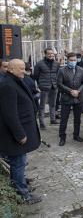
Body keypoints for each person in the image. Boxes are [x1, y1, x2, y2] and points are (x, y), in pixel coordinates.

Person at [0, 59, 42, 204]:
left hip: (22, 130)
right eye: (20, 69)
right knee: (18, 163)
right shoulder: (7, 85)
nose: (23, 71)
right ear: (11, 69)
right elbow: (9, 114)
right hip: (15, 135)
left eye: (24, 68)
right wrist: (20, 134)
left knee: (20, 162)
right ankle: (23, 195)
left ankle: (20, 186)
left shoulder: (15, 80)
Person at [57, 52, 83, 146]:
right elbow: (59, 84)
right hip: (66, 98)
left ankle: (76, 135)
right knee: (64, 119)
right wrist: (70, 91)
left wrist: (78, 91)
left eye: (74, 60)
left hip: (78, 98)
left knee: (77, 118)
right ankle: (62, 137)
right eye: (71, 60)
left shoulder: (81, 70)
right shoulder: (62, 70)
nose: (73, 62)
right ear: (67, 60)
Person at [33, 47, 60, 129]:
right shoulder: (39, 64)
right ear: (45, 54)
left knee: (53, 104)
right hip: (44, 87)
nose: (51, 55)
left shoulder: (56, 63)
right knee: (42, 106)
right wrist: (40, 85)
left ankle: (53, 119)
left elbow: (58, 74)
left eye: (52, 54)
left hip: (54, 86)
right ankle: (42, 123)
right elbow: (36, 76)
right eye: (49, 54)